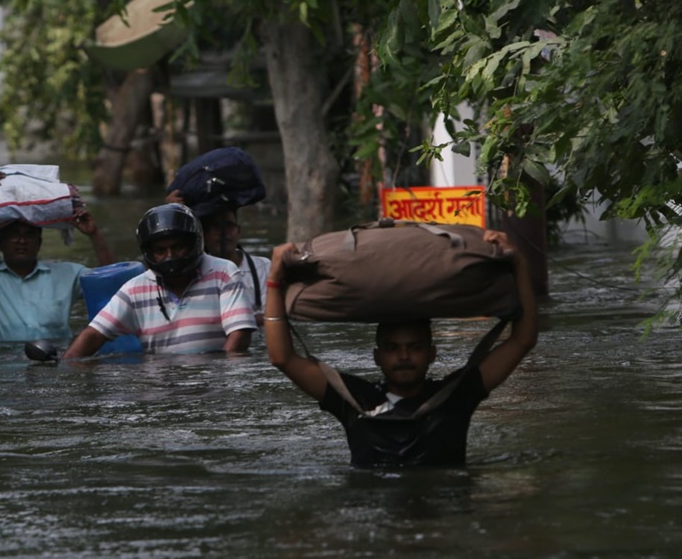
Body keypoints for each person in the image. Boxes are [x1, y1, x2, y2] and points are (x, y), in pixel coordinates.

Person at [263, 229, 538, 468]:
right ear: (377, 357)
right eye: (393, 348)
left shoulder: (456, 395)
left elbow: (522, 340)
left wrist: (520, 263)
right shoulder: (353, 399)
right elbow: (282, 358)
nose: (403, 356)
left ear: (432, 354)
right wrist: (274, 280)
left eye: (415, 347)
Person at [0, 170, 115, 342]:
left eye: (29, 235)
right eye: (14, 235)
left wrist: (94, 234)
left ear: (39, 243)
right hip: (1, 365)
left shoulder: (67, 274)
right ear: (0, 243)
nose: (21, 241)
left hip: (56, 362)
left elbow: (111, 287)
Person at [62, 203, 256, 357]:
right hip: (160, 383)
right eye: (160, 251)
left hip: (215, 382)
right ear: (149, 253)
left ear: (193, 244)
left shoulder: (224, 272)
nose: (170, 256)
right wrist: (68, 367)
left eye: (177, 247)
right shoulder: (134, 289)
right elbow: (93, 334)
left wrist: (216, 374)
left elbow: (240, 334)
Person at [168, 189, 272, 325]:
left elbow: (276, 314)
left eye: (228, 225)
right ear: (203, 236)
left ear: (238, 230)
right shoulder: (192, 274)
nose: (223, 233)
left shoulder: (263, 267)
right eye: (215, 227)